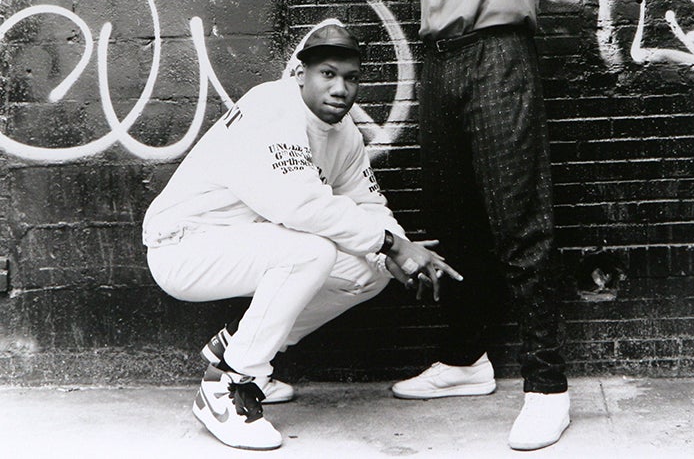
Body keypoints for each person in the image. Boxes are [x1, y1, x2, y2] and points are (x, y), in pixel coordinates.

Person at [191, 0, 693, 451]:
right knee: (453, 221)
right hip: (443, 67)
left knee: (520, 225)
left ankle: (547, 384)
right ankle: (464, 359)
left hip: (500, 59)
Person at [142, 23, 461, 450]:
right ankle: (226, 387)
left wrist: (393, 255)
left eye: (351, 78)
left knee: (369, 271)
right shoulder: (273, 108)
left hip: (241, 240)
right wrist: (393, 244)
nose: (340, 88)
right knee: (311, 250)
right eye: (327, 74)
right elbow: (300, 206)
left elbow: (368, 206)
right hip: (183, 246)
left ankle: (242, 353)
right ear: (299, 74)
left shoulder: (345, 135)